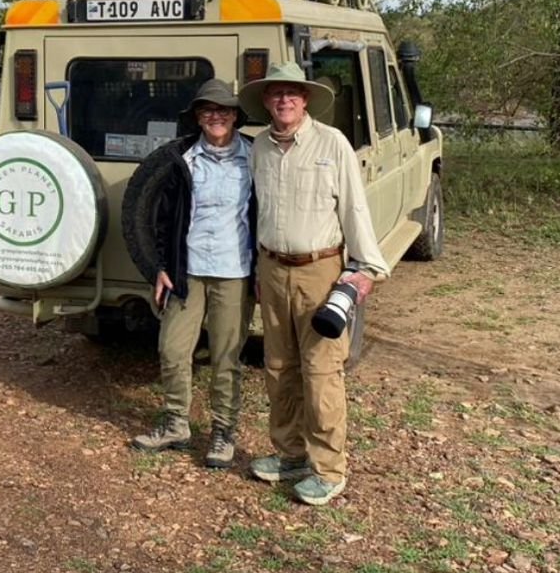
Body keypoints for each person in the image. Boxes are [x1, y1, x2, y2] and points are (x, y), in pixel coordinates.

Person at [236, 61, 389, 506]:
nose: (284, 100)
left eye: (292, 93)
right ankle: (290, 454)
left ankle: (328, 468)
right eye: (276, 93)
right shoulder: (259, 147)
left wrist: (364, 269)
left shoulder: (332, 143)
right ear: (266, 101)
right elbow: (255, 211)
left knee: (321, 370)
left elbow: (355, 209)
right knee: (279, 367)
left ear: (305, 100)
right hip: (272, 268)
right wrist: (257, 272)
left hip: (320, 270)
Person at [130, 78, 257, 469]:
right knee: (172, 349)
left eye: (222, 110)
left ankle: (222, 430)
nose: (215, 117)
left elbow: (267, 214)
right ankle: (175, 424)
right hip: (188, 270)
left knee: (226, 356)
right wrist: (161, 268)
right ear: (197, 118)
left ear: (235, 116)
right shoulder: (180, 158)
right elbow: (164, 220)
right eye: (207, 111)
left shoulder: (255, 157)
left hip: (235, 271)